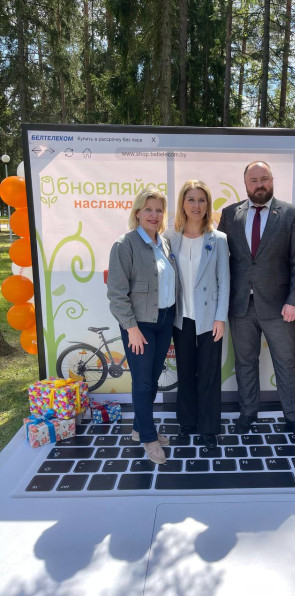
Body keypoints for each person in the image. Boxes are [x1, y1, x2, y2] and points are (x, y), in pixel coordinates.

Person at [218, 161, 295, 440]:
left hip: (280, 306)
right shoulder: (230, 214)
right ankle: (248, 413)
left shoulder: (291, 214)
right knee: (245, 362)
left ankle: (294, 417)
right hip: (240, 305)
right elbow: (220, 258)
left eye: (264, 178)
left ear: (272, 180)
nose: (260, 185)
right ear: (245, 184)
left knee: (287, 361)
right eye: (254, 180)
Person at [107, 188, 178, 465]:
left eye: (159, 210)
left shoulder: (164, 243)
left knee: (153, 378)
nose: (154, 215)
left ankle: (139, 428)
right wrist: (131, 328)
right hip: (140, 326)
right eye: (148, 209)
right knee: (143, 381)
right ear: (137, 213)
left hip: (165, 320)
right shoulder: (124, 245)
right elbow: (117, 294)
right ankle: (149, 437)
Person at [165, 180, 230, 448]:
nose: (196, 205)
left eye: (202, 200)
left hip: (209, 318)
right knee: (185, 371)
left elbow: (224, 280)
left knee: (209, 374)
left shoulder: (219, 239)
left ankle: (209, 427)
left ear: (208, 204)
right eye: (191, 199)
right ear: (182, 203)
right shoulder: (170, 238)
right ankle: (187, 422)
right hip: (181, 317)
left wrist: (220, 317)